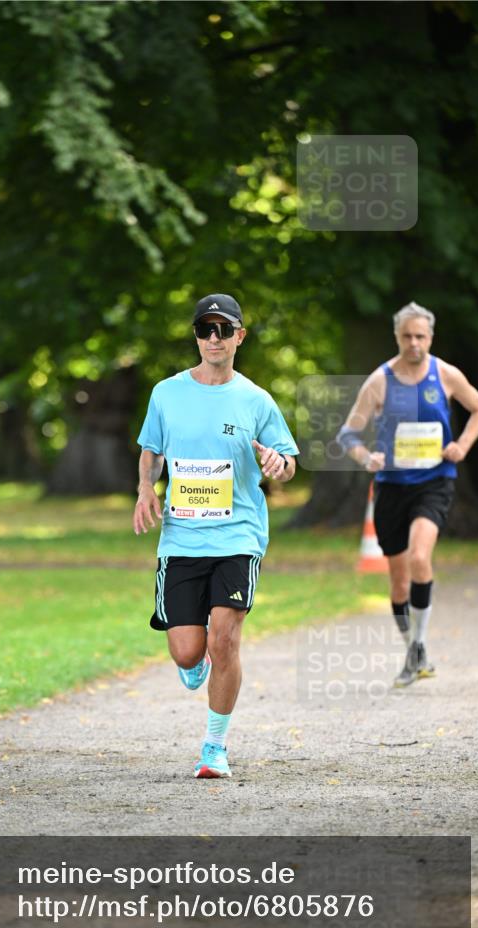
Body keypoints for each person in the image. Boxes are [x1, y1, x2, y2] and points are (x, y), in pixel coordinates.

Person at [133, 293, 299, 778]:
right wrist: (146, 487)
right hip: (182, 540)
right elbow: (151, 449)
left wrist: (278, 463)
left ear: (239, 336)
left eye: (223, 329)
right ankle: (194, 664)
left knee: (224, 640)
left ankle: (214, 748)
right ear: (196, 336)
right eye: (205, 329)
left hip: (238, 537)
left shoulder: (256, 400)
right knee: (188, 649)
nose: (213, 338)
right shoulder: (166, 393)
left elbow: (287, 461)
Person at [337, 301, 478, 687]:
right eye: (407, 336)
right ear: (397, 337)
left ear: (430, 337)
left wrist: (463, 446)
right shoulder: (380, 381)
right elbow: (348, 433)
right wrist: (365, 456)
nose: (414, 343)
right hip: (391, 487)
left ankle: (418, 645)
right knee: (399, 581)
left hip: (434, 482)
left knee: (422, 557)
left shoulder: (445, 373)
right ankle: (412, 649)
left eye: (420, 336)